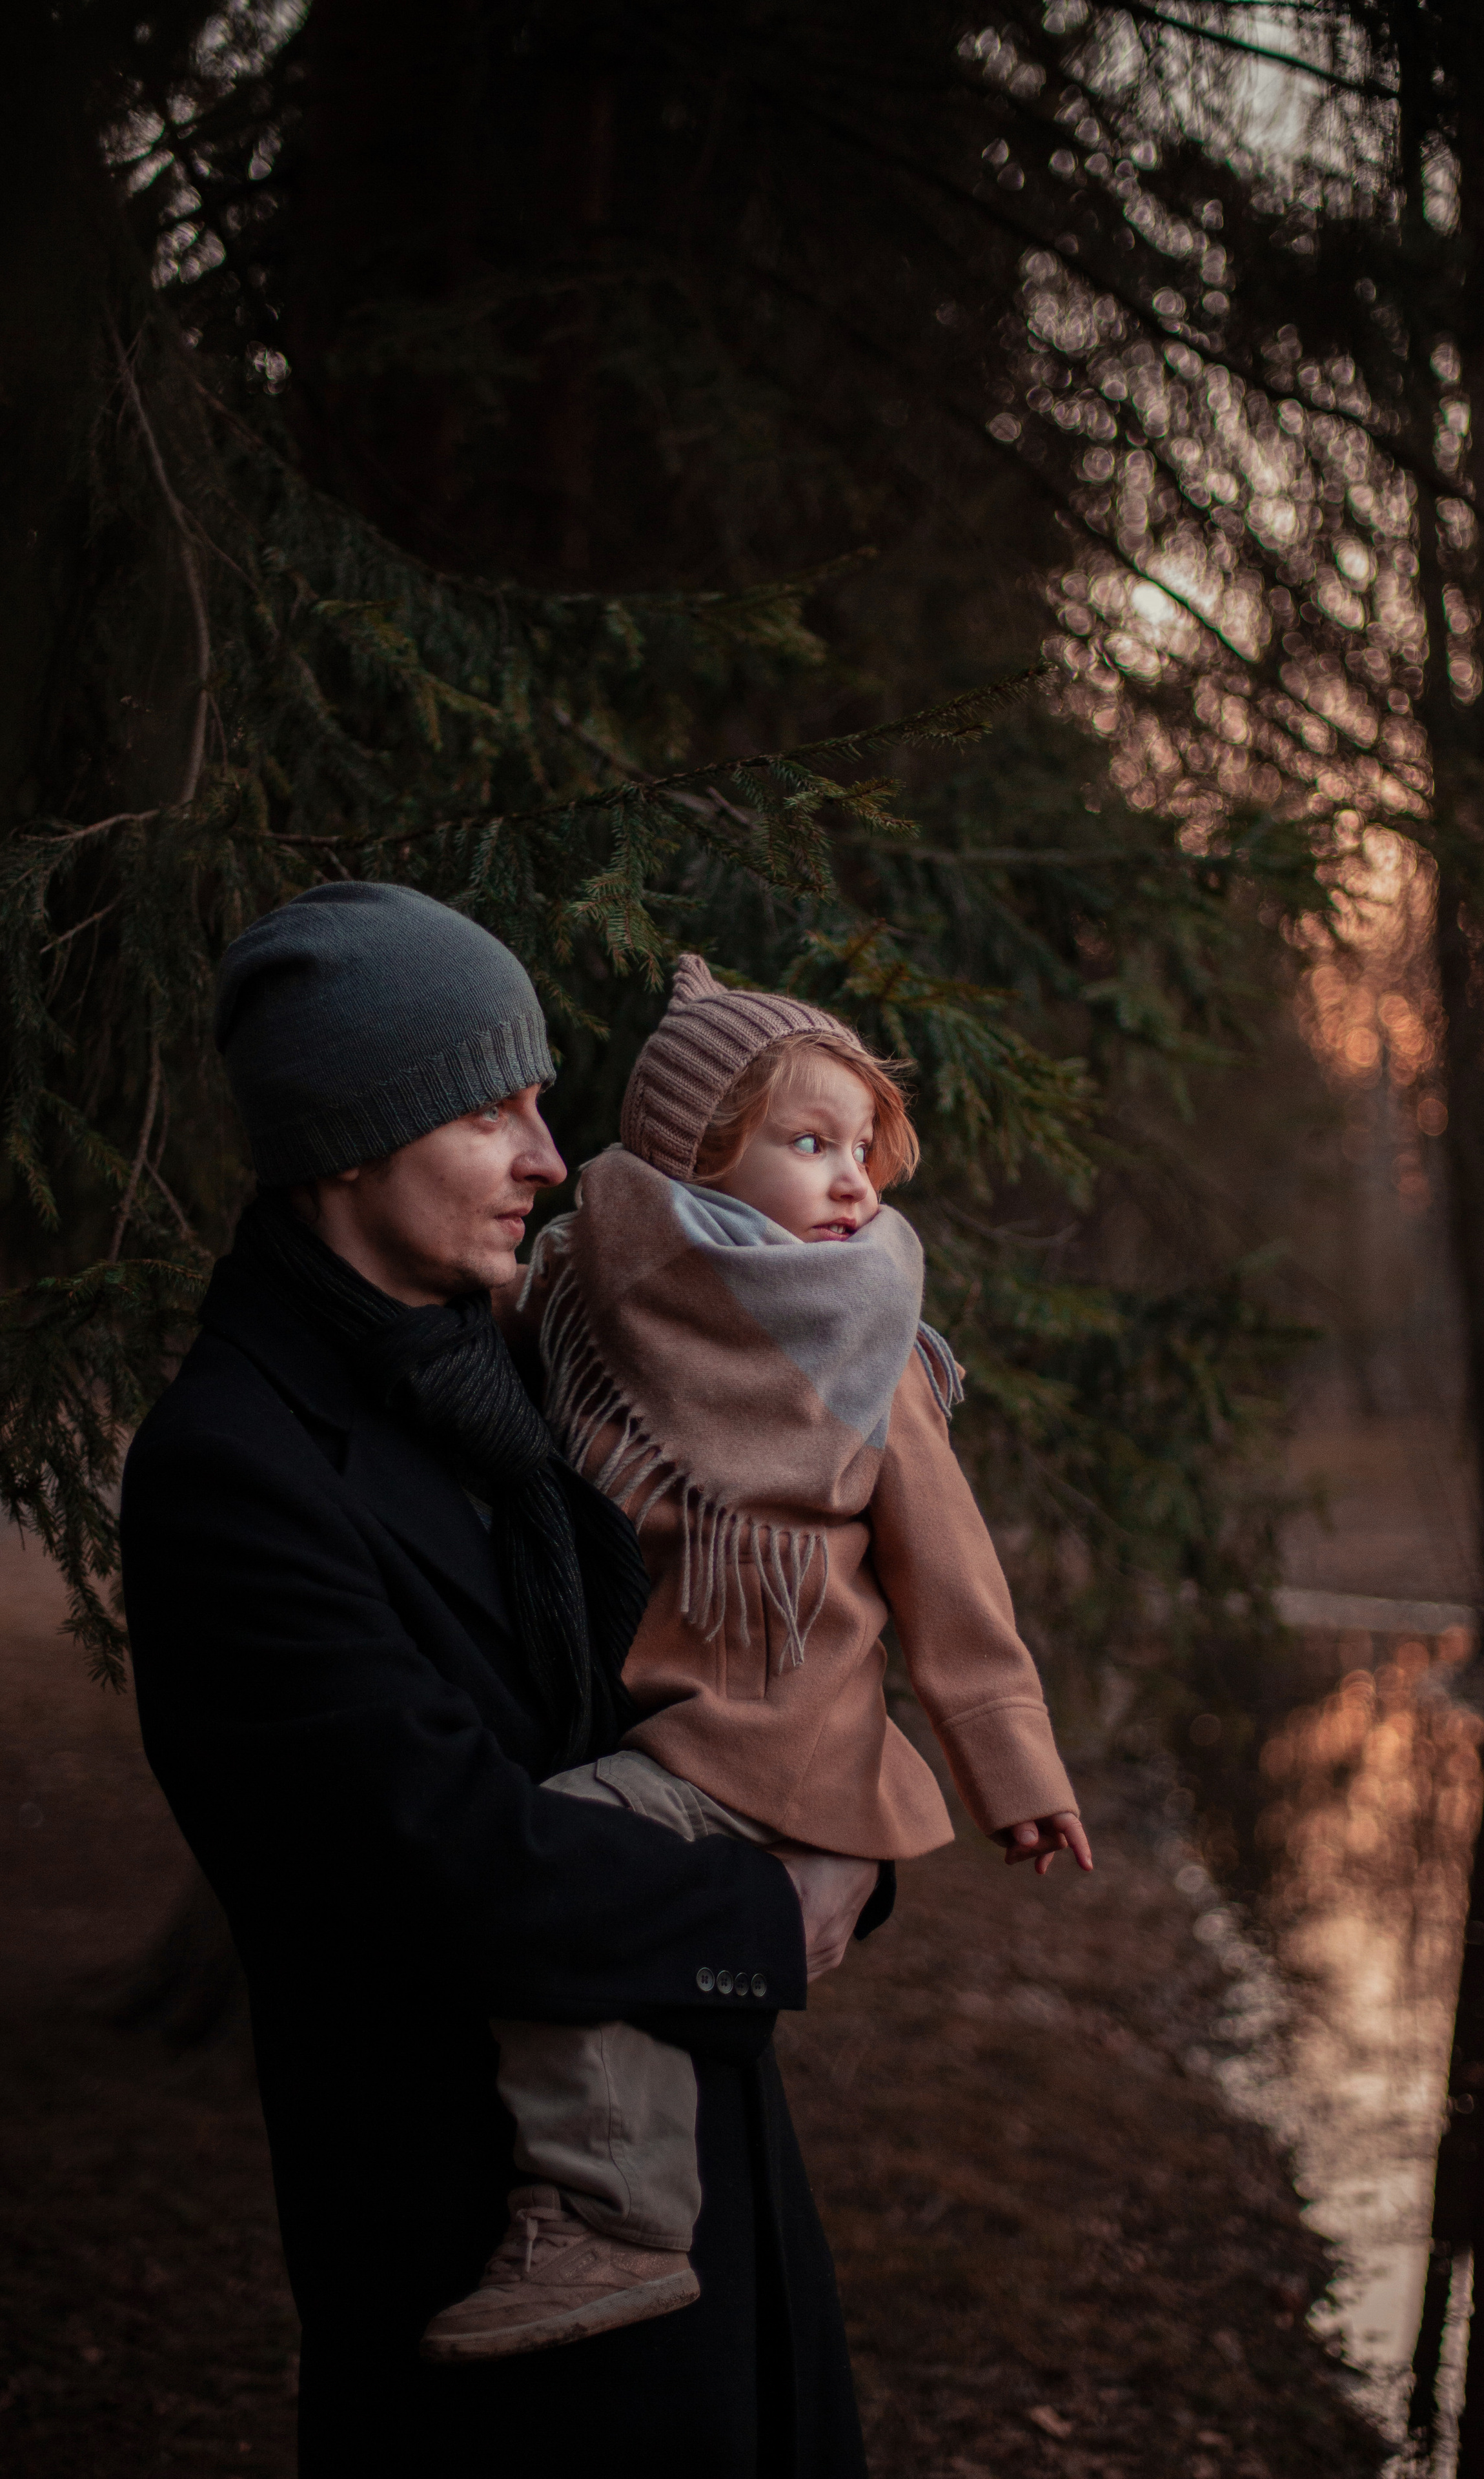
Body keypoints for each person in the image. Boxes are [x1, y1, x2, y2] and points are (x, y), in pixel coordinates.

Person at [120, 884, 882, 2478]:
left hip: (718, 2194)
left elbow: (731, 1649)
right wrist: (768, 1907)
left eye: (541, 1105)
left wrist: (842, 1830)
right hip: (491, 2267)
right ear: (349, 1139)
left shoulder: (531, 1373)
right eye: (491, 1114)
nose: (548, 1158)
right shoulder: (234, 1470)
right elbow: (441, 1863)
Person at [420, 954, 1093, 2363]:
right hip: (661, 1707)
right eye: (808, 1143)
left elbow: (951, 1578)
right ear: (697, 1152)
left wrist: (1014, 1769)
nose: (852, 1181)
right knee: (604, 1898)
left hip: (784, 1725)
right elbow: (494, 1357)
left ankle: (610, 2217)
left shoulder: (864, 1337)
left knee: (568, 1865)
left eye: (864, 1149)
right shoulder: (596, 1279)